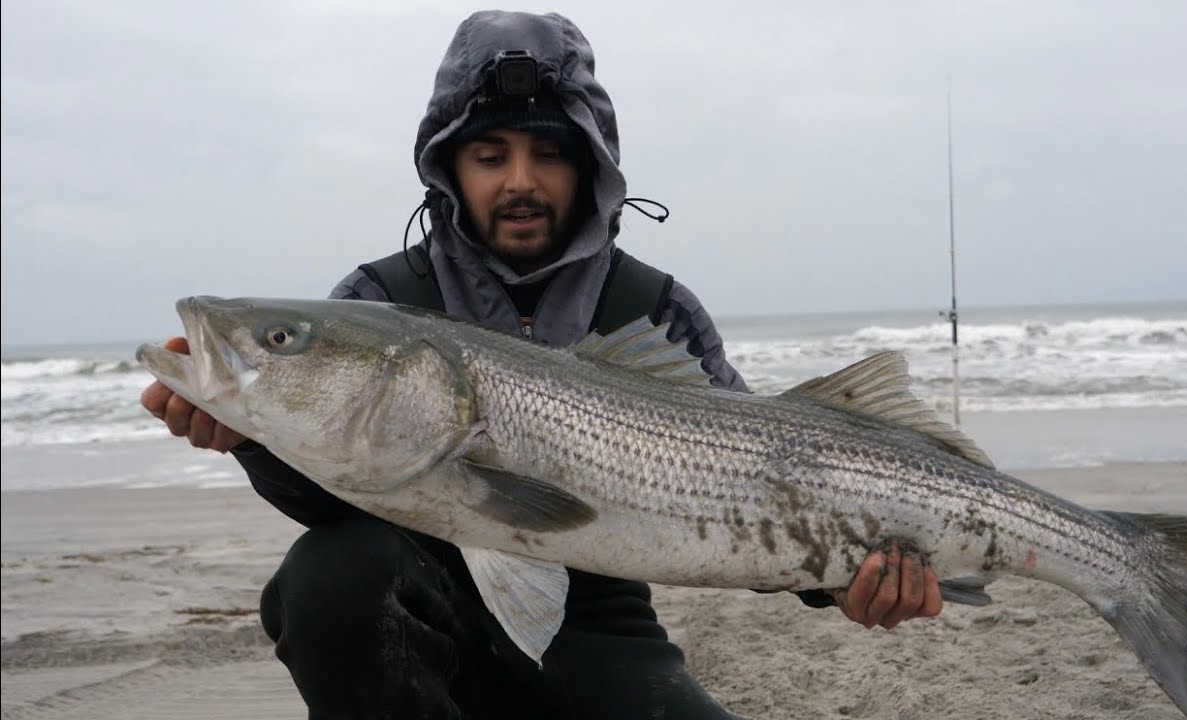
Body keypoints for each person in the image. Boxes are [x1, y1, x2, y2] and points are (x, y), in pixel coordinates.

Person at [141, 10, 942, 719]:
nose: (520, 181)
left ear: (587, 166)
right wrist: (250, 436)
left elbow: (753, 486)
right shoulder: (375, 301)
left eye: (548, 154)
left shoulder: (655, 308)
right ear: (449, 169)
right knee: (329, 575)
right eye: (489, 155)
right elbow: (338, 502)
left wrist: (837, 578)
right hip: (426, 609)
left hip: (602, 623)